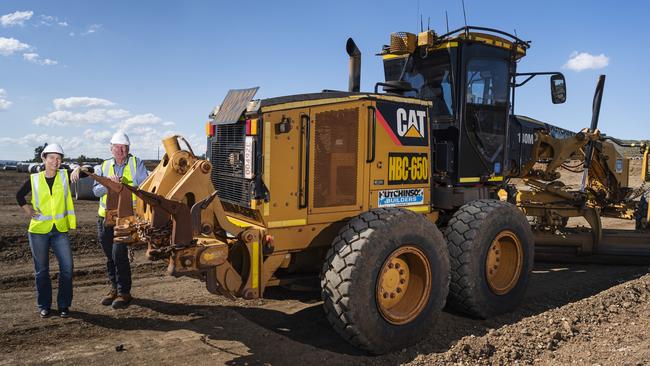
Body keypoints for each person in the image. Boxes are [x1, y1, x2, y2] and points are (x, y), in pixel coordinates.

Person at [16, 144, 85, 318]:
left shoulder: (64, 176)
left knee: (67, 268)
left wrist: (79, 168)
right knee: (42, 270)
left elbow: (89, 169)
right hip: (39, 231)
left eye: (59, 158)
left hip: (59, 230)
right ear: (44, 159)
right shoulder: (35, 179)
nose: (56, 161)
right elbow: (19, 195)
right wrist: (29, 211)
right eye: (52, 157)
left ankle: (63, 305)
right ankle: (44, 305)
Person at [93, 131, 148, 309]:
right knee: (110, 256)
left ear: (128, 149)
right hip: (105, 219)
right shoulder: (103, 166)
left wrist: (123, 186)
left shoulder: (135, 163)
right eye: (117, 147)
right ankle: (114, 289)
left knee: (119, 255)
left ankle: (124, 292)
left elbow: (143, 186)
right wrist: (109, 184)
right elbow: (96, 191)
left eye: (124, 147)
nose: (120, 150)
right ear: (111, 148)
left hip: (125, 218)